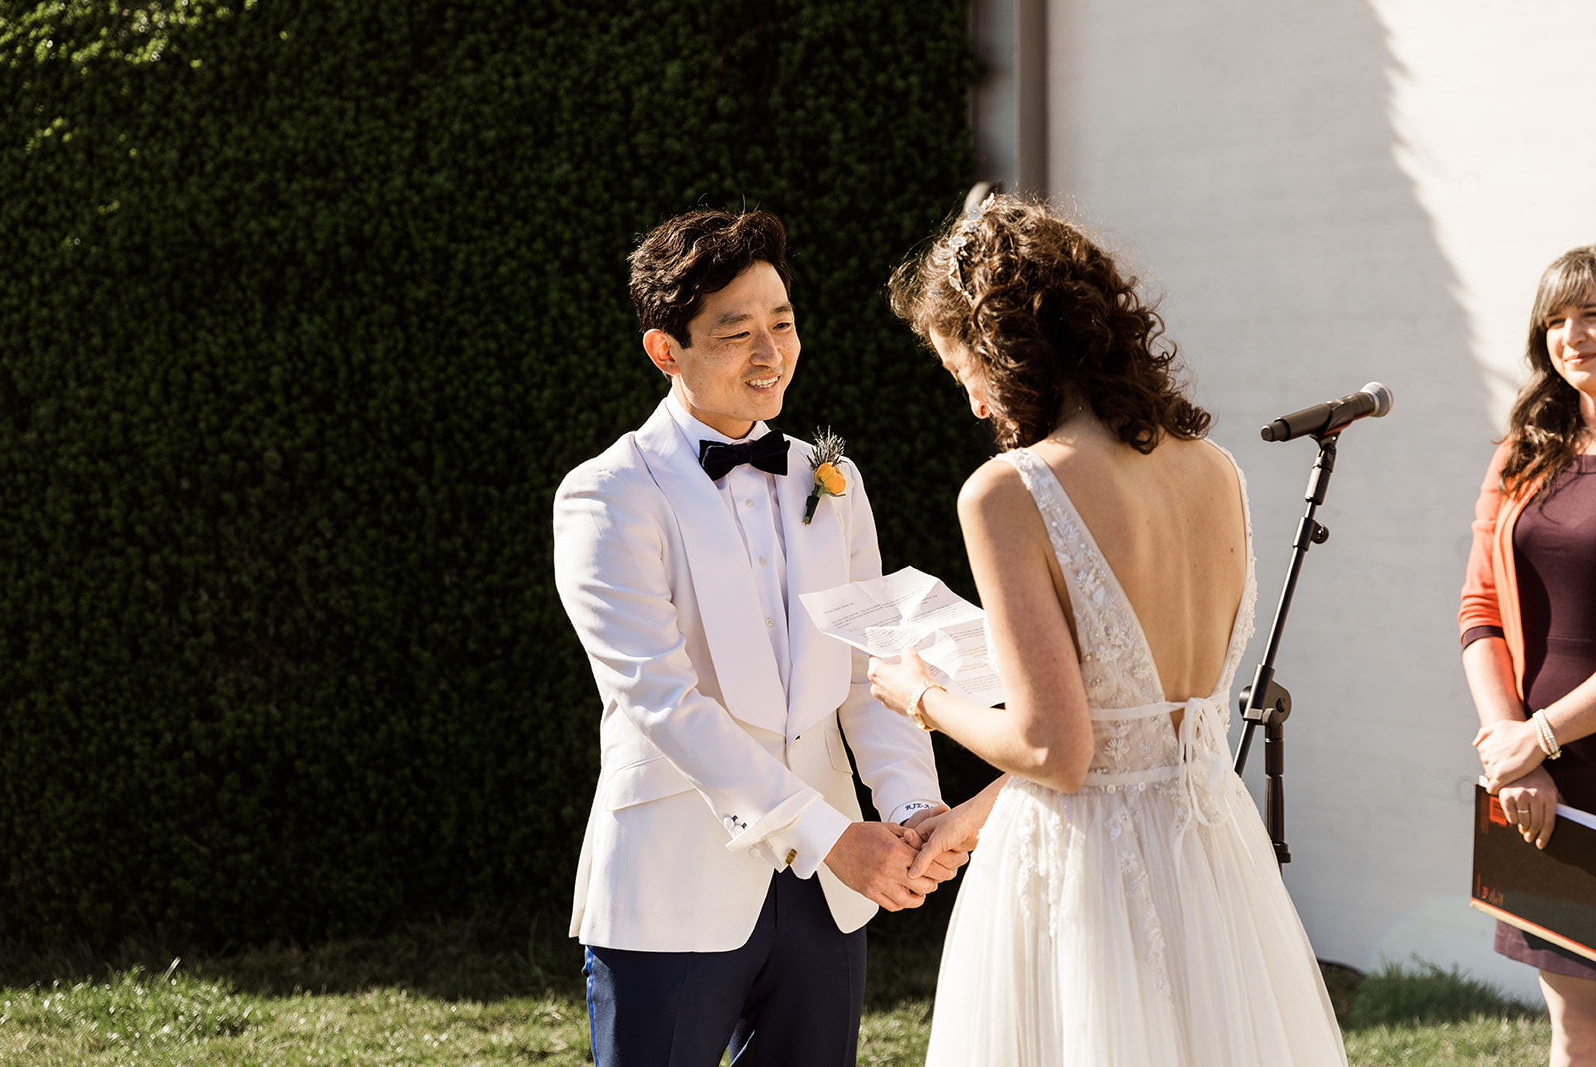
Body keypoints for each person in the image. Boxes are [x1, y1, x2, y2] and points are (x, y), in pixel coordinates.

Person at [868, 193, 1347, 1064]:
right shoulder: (1218, 471)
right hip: (1214, 862)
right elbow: (1133, 727)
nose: (975, 403)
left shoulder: (1010, 491)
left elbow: (1061, 752)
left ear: (1006, 346)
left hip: (1090, 873)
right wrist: (969, 816)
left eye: (963, 369)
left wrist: (923, 695)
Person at [552, 206, 962, 1067]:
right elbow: (662, 701)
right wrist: (830, 835)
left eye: (783, 323)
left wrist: (910, 805)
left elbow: (868, 664)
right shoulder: (607, 494)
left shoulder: (832, 477)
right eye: (737, 333)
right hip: (674, 881)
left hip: (825, 898)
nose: (772, 353)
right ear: (667, 350)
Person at [1461, 245, 1596, 1067]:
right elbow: (1480, 611)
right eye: (1555, 319)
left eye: (1592, 314)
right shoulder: (1522, 452)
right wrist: (1512, 751)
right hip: (1543, 789)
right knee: (1574, 1027)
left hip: (1553, 748)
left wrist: (1538, 735)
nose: (1572, 334)